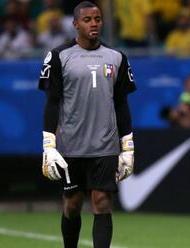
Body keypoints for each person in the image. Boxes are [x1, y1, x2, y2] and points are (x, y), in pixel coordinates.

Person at [38, 2, 136, 248]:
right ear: (75, 24)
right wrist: (49, 145)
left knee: (102, 202)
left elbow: (122, 105)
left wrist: (128, 147)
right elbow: (52, 102)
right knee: (72, 204)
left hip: (105, 145)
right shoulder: (59, 56)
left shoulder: (117, 57)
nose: (94, 24)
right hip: (71, 146)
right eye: (88, 20)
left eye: (98, 19)